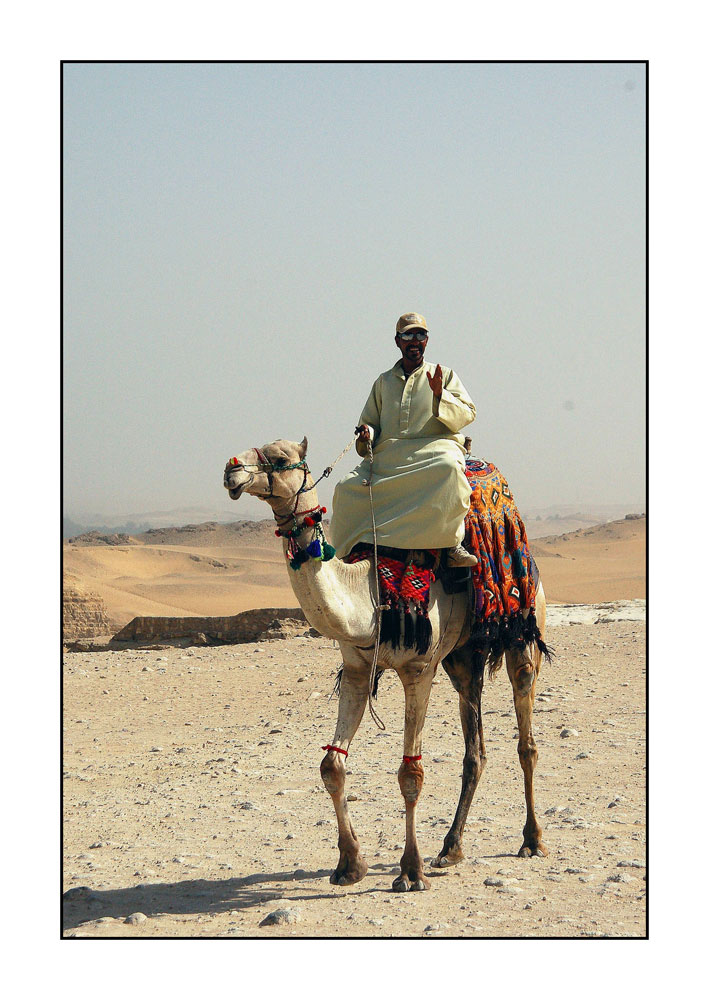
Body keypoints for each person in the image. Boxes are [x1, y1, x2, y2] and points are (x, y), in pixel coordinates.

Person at [329, 312, 478, 566]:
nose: (414, 341)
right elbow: (370, 424)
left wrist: (440, 394)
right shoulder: (383, 382)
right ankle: (348, 553)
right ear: (397, 341)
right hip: (390, 458)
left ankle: (450, 544)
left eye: (420, 335)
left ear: (427, 341)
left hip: (434, 451)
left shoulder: (444, 375)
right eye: (408, 335)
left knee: (450, 470)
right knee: (345, 489)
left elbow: (467, 414)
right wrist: (367, 433)